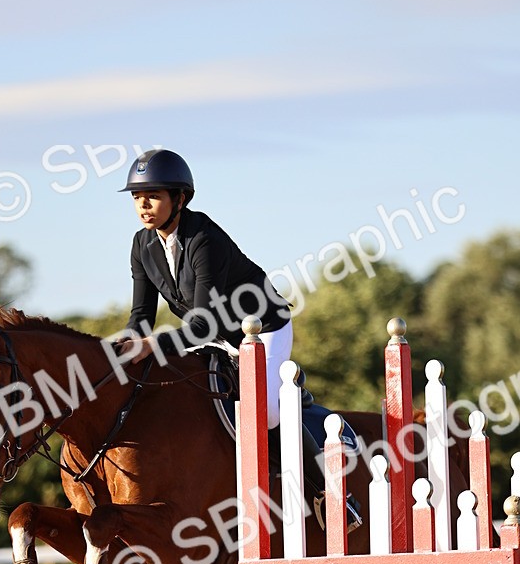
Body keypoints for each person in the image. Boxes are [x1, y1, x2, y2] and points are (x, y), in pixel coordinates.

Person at [116, 149, 359, 527]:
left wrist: (151, 345)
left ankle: (330, 495)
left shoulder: (203, 237)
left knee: (268, 411)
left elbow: (202, 325)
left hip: (264, 329)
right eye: (136, 197)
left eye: (153, 196)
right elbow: (141, 316)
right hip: (215, 337)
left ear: (179, 198)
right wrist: (121, 349)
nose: (143, 205)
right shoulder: (141, 245)